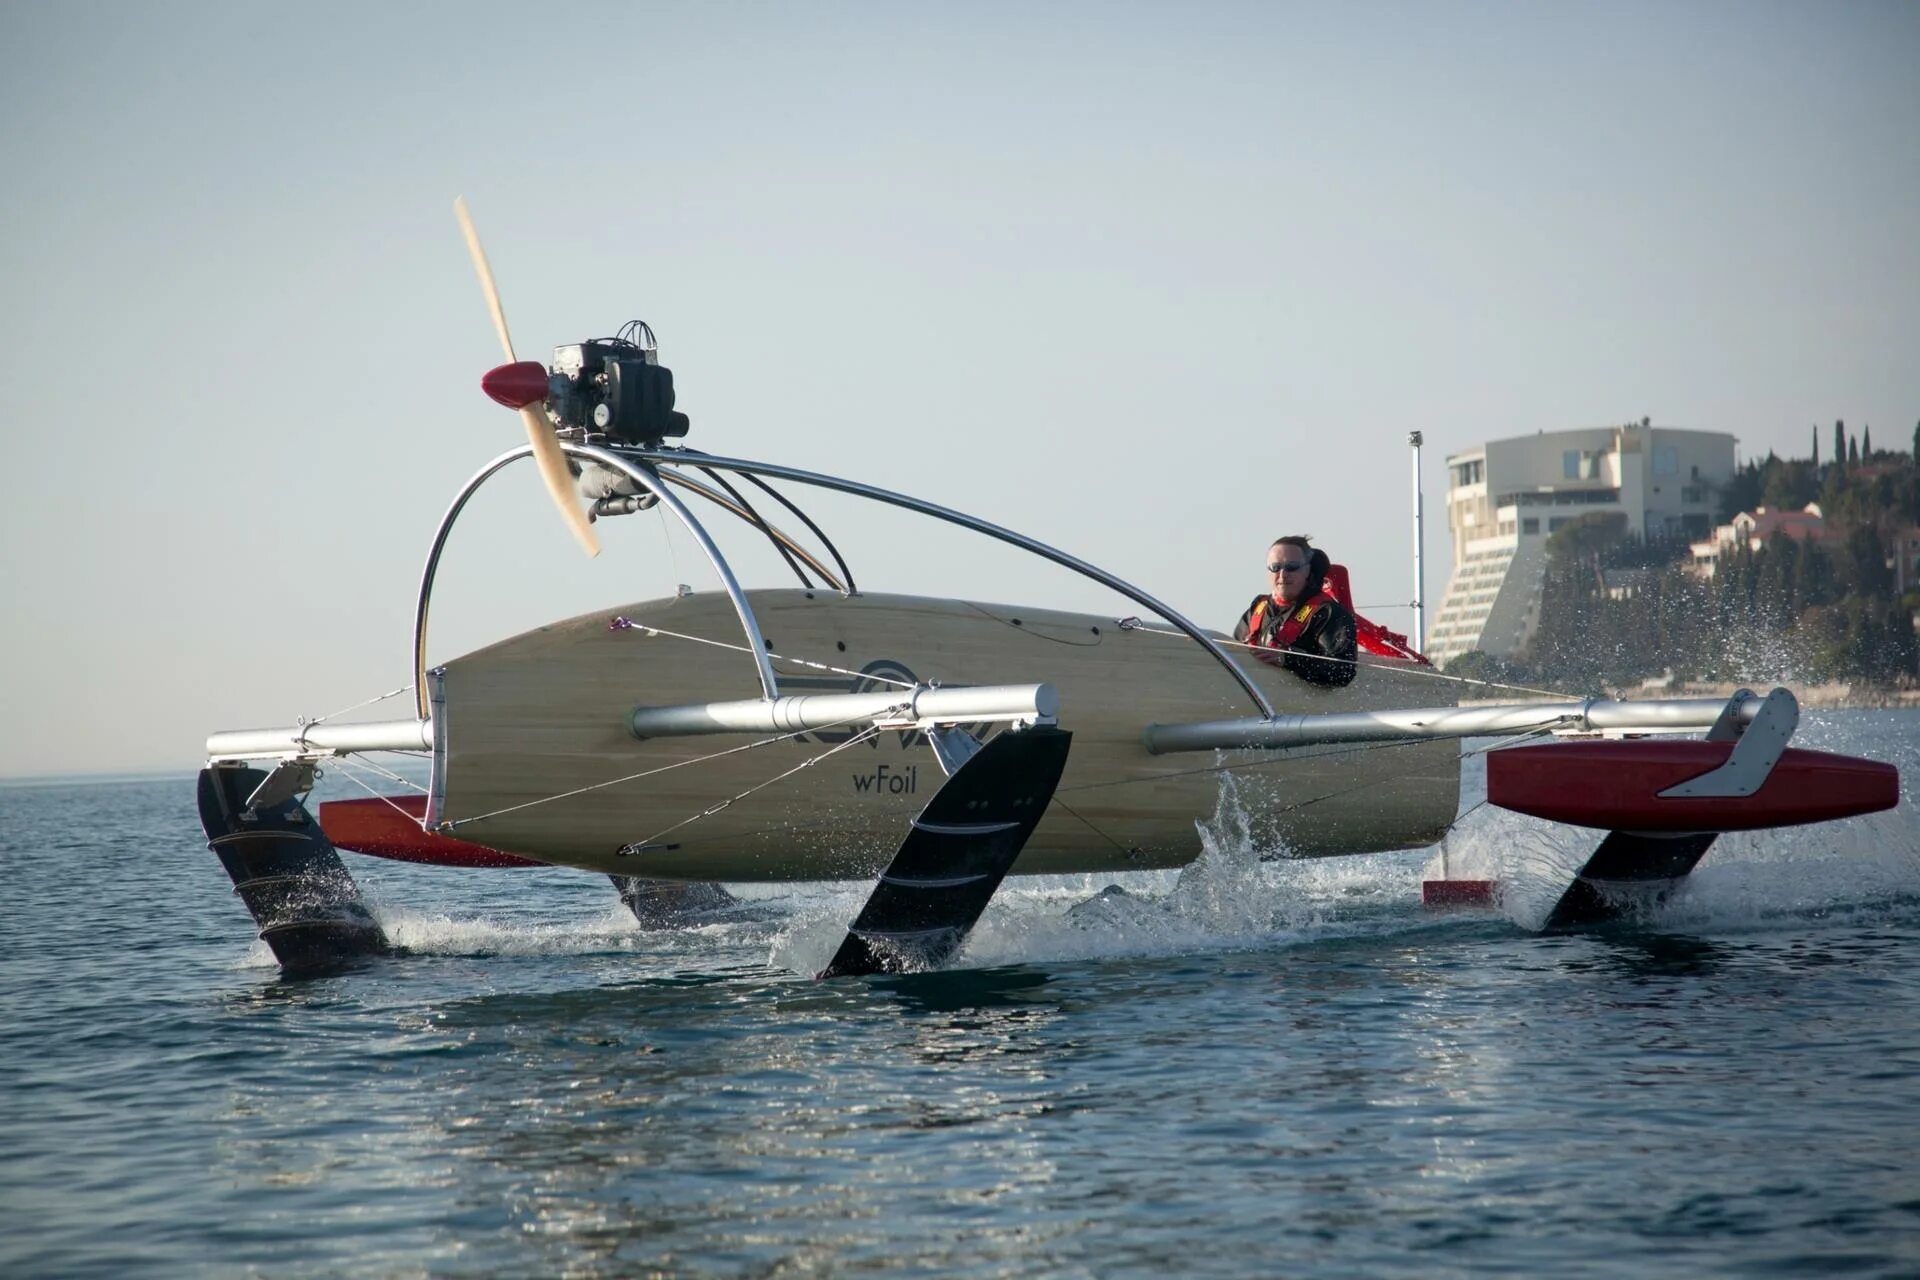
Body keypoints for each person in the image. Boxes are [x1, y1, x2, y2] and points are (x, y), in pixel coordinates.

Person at [1233, 535, 1357, 687]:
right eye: (1275, 567)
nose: (1283, 574)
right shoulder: (1257, 608)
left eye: (1292, 567)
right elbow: (1232, 653)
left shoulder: (1327, 613)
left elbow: (1343, 671)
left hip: (1302, 706)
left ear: (1309, 570)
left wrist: (1287, 659)